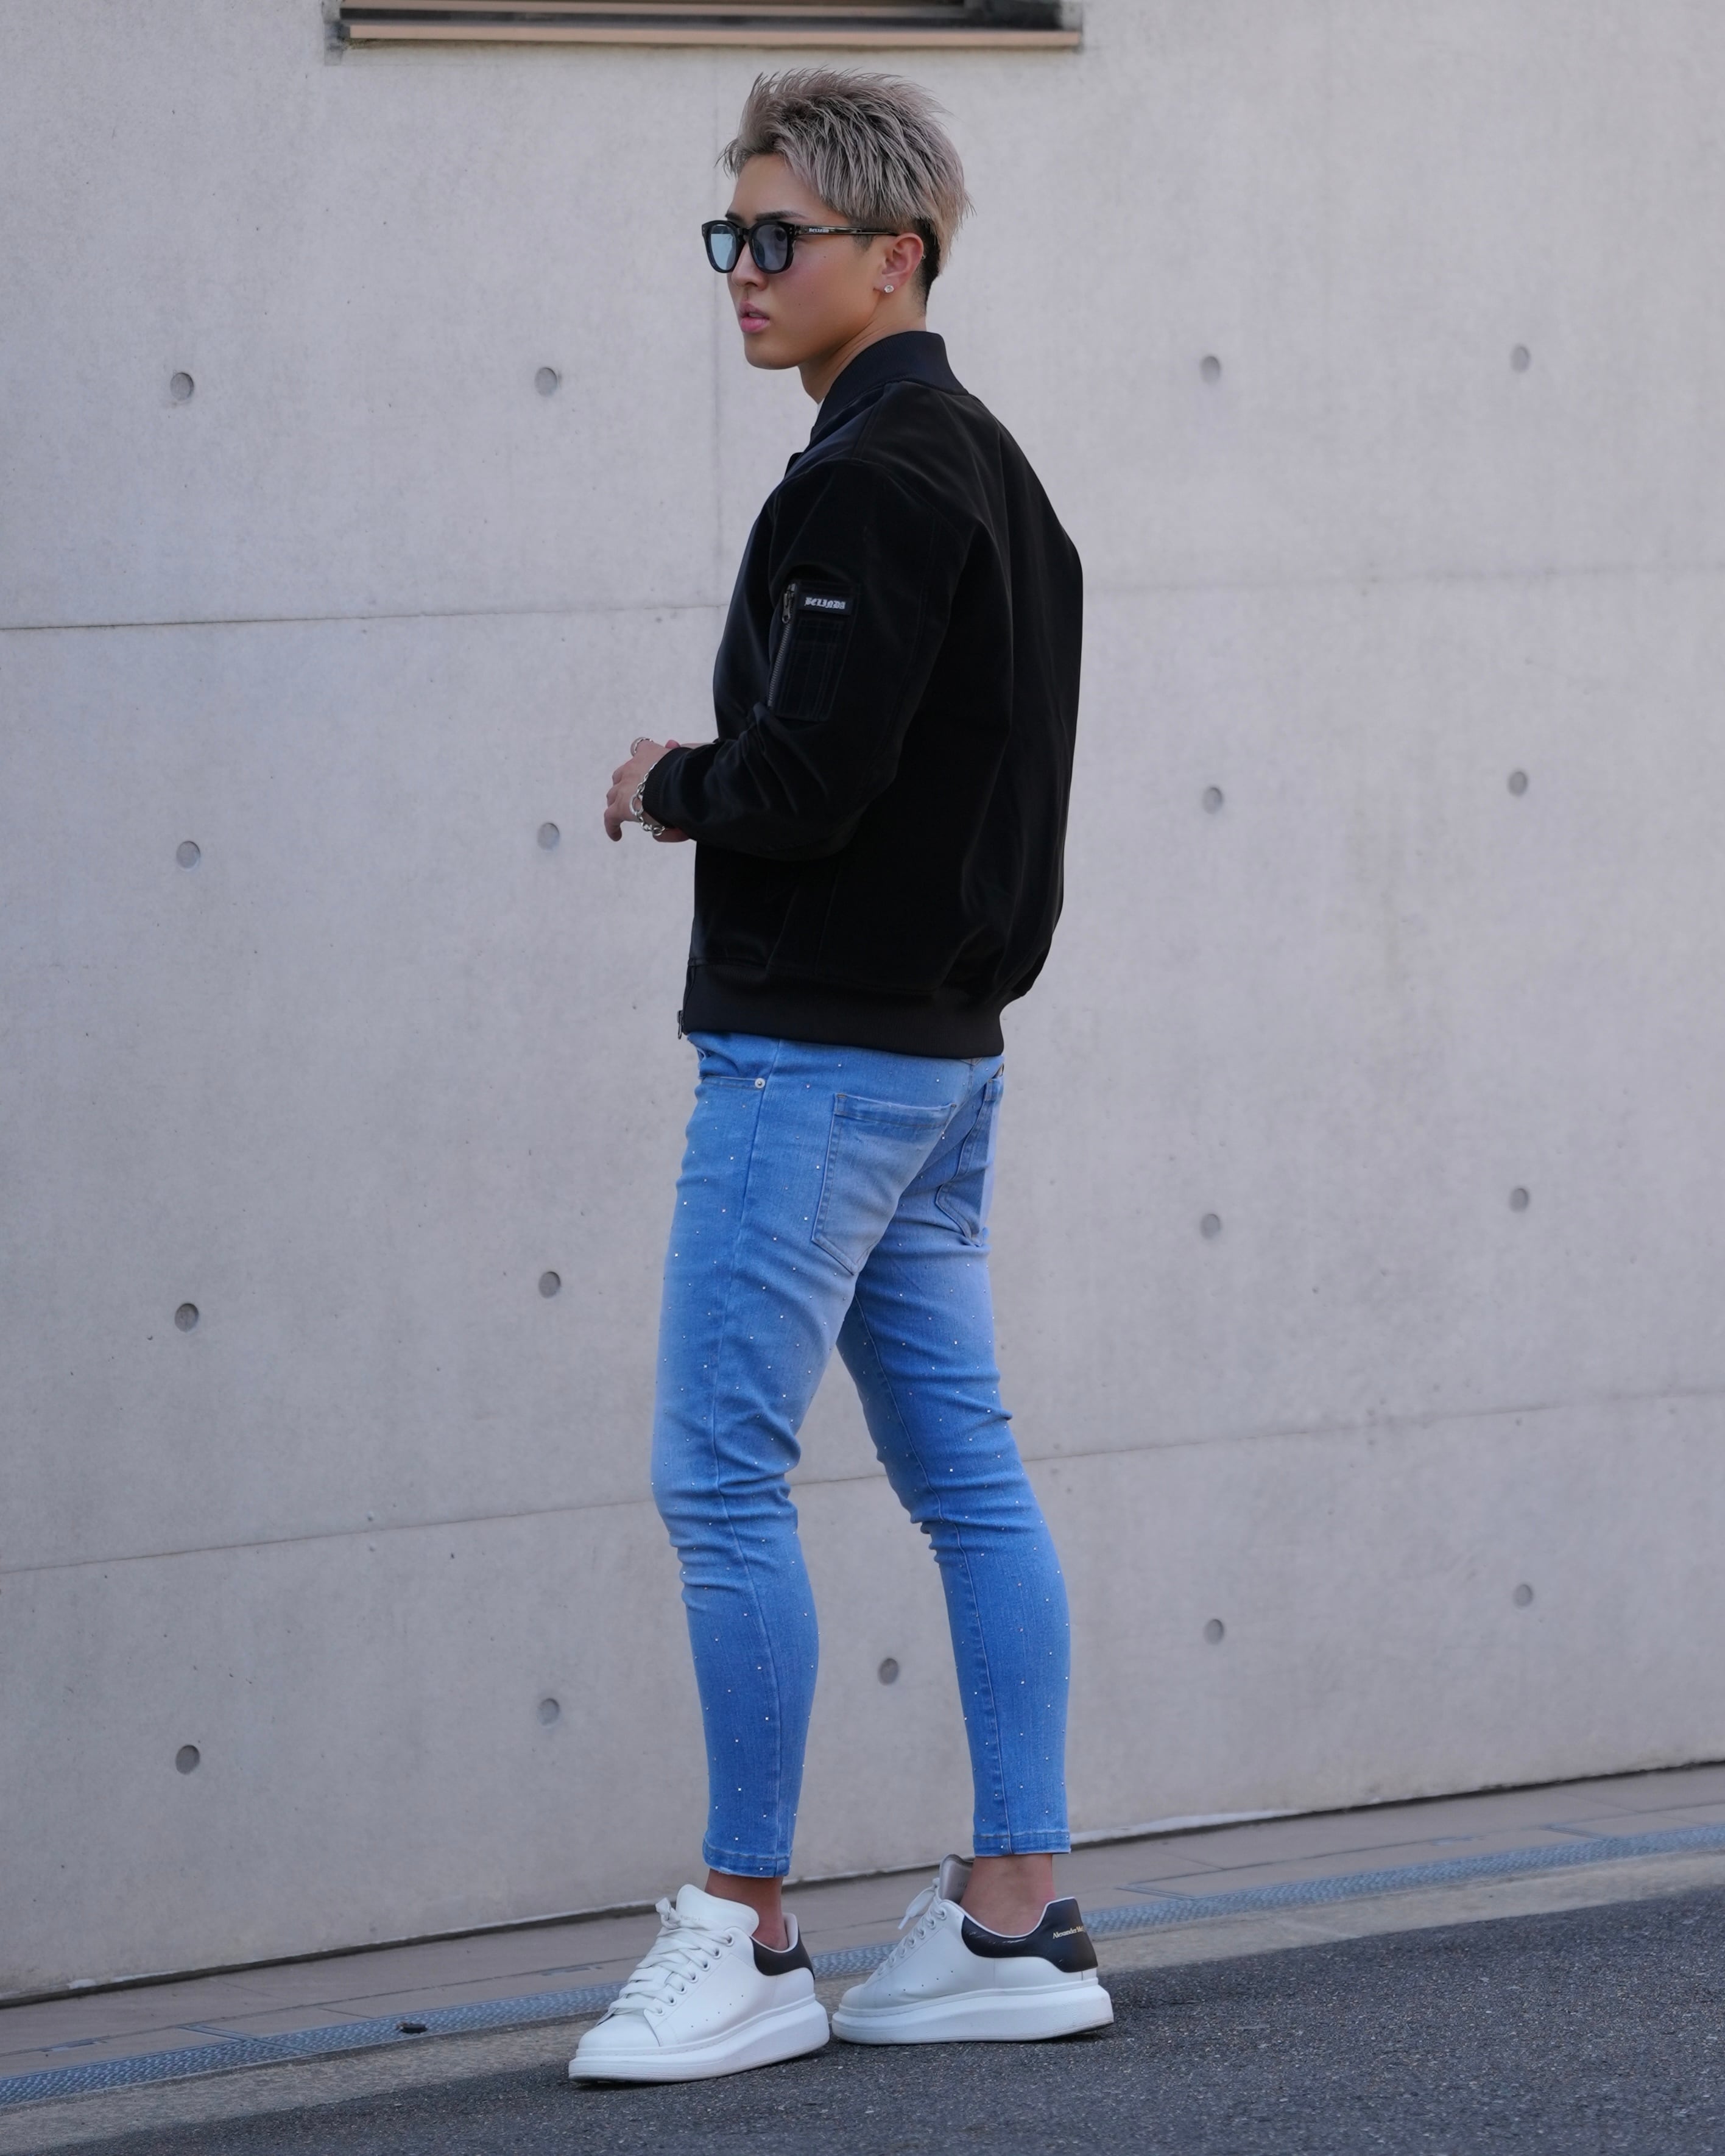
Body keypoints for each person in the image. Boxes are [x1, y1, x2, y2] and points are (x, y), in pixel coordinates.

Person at [570, 68, 1106, 2086]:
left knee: (719, 1476)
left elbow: (807, 776)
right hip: (941, 1066)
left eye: (778, 236)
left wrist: (669, 783)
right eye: (732, 234)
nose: (743, 268)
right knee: (967, 1473)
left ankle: (749, 1927)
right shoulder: (1001, 475)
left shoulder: (873, 478)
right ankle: (1016, 1912)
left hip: (813, 1064)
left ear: (899, 255)